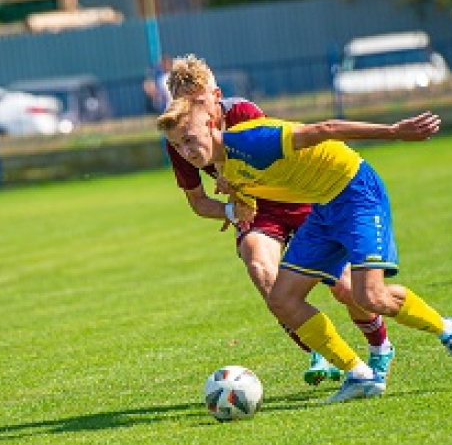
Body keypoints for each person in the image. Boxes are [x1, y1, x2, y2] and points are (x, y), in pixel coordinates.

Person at [157, 97, 452, 404]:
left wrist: (393, 132)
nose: (186, 151)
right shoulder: (226, 168)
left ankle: (448, 330)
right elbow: (253, 202)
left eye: (189, 138)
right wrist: (237, 206)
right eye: (177, 145)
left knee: (369, 296)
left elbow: (325, 129)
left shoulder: (251, 140)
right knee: (282, 299)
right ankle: (359, 374)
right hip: (324, 209)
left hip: (356, 193)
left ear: (212, 123)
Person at [164, 55, 394, 385]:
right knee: (260, 269)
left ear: (216, 95)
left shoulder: (243, 113)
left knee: (345, 287)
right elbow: (198, 202)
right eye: (187, 105)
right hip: (256, 210)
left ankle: (380, 348)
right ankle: (322, 350)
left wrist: (236, 179)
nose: (196, 112)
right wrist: (231, 210)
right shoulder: (181, 138)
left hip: (294, 198)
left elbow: (276, 160)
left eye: (200, 101)